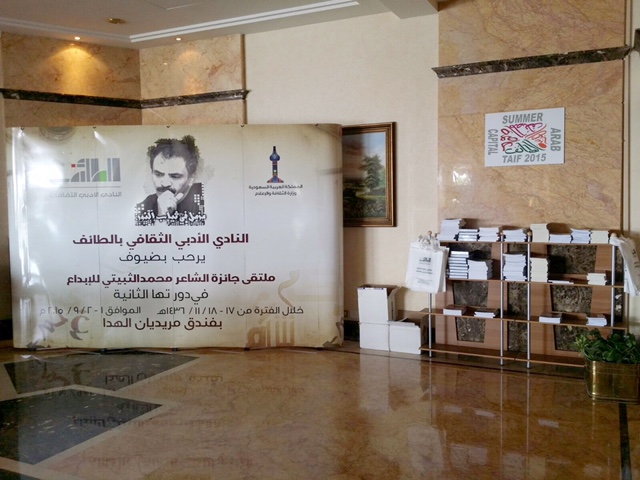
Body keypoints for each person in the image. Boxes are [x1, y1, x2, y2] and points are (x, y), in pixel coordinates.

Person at [135, 135, 205, 226]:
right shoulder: (143, 208)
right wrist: (162, 216)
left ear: (191, 178)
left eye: (175, 176)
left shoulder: (205, 201)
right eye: (158, 174)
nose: (165, 183)